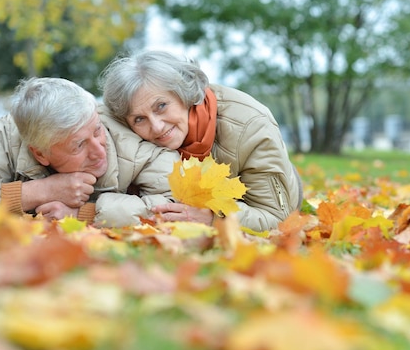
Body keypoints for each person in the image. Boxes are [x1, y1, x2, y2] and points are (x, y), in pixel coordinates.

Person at [98, 50, 302, 231]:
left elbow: (278, 220)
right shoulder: (126, 129)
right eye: (139, 119)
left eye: (161, 106)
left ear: (183, 93)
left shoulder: (251, 126)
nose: (157, 127)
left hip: (273, 193)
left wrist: (213, 216)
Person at [0, 77, 179, 227]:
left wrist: (85, 214)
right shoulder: (5, 135)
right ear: (40, 154)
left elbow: (176, 205)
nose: (98, 151)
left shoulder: (132, 139)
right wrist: (38, 192)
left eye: (96, 131)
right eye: (79, 145)